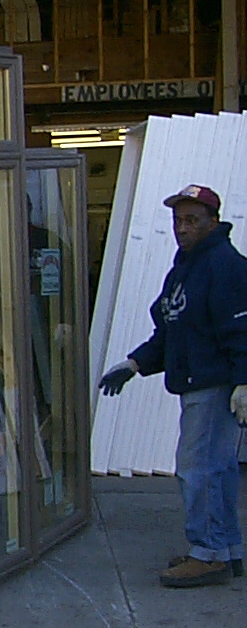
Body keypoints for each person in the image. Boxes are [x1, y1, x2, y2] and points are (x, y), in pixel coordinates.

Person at [99, 184, 247, 587]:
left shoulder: (225, 265)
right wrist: (133, 364)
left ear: (213, 222)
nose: (183, 228)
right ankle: (223, 549)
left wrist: (243, 382)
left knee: (199, 469)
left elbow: (241, 329)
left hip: (214, 386)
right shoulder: (187, 265)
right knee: (215, 468)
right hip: (198, 383)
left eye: (192, 220)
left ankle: (209, 553)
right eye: (178, 220)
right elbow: (170, 330)